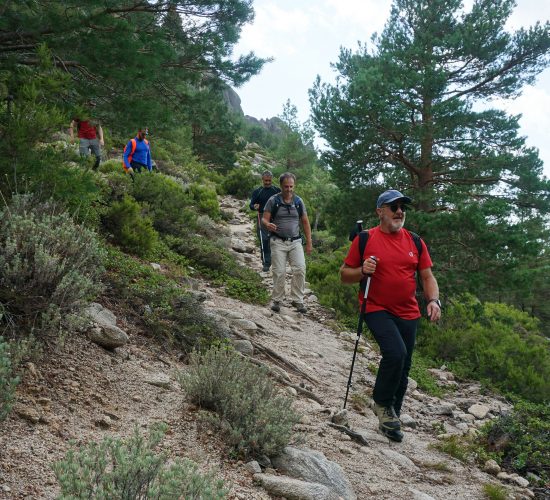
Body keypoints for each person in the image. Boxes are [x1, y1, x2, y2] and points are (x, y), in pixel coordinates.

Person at [340, 189, 441, 442]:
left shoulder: (415, 241)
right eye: (393, 207)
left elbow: (427, 276)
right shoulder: (365, 239)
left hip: (408, 311)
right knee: (395, 353)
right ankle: (382, 403)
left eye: (402, 207)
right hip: (376, 308)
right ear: (380, 211)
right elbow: (344, 275)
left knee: (404, 366)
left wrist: (433, 300)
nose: (399, 212)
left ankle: (391, 415)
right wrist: (362, 271)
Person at [263, 172, 312, 314]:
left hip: (295, 241)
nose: (289, 189)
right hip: (277, 241)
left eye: (291, 186)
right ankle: (277, 300)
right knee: (279, 271)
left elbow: (305, 222)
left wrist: (309, 242)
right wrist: (268, 224)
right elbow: (264, 219)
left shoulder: (298, 202)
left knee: (300, 269)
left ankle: (298, 300)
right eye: (286, 186)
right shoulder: (273, 200)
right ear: (281, 186)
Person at [249, 170, 281, 272]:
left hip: (275, 217)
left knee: (276, 240)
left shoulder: (277, 190)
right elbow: (251, 205)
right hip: (262, 217)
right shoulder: (257, 191)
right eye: (265, 181)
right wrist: (254, 206)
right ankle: (266, 263)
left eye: (269, 181)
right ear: (262, 179)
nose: (267, 183)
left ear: (272, 179)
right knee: (264, 240)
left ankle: (277, 262)